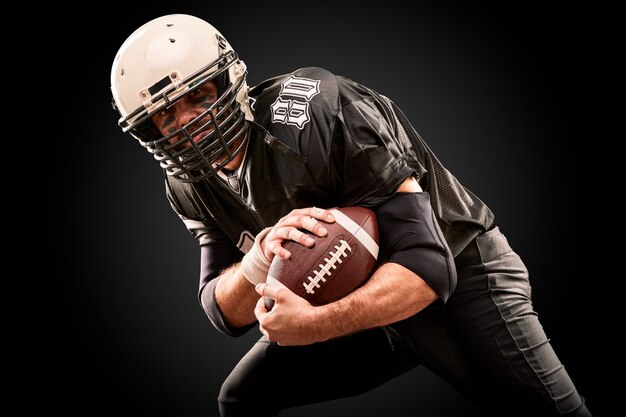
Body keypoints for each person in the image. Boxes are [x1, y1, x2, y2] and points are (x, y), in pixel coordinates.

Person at [110, 13, 592, 417]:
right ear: (148, 131)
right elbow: (222, 310)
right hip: (355, 294)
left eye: (200, 96)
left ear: (230, 79)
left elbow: (429, 263)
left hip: (464, 276)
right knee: (241, 398)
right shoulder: (188, 185)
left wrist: (315, 325)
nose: (190, 122)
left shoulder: (318, 111)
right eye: (165, 115)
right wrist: (257, 262)